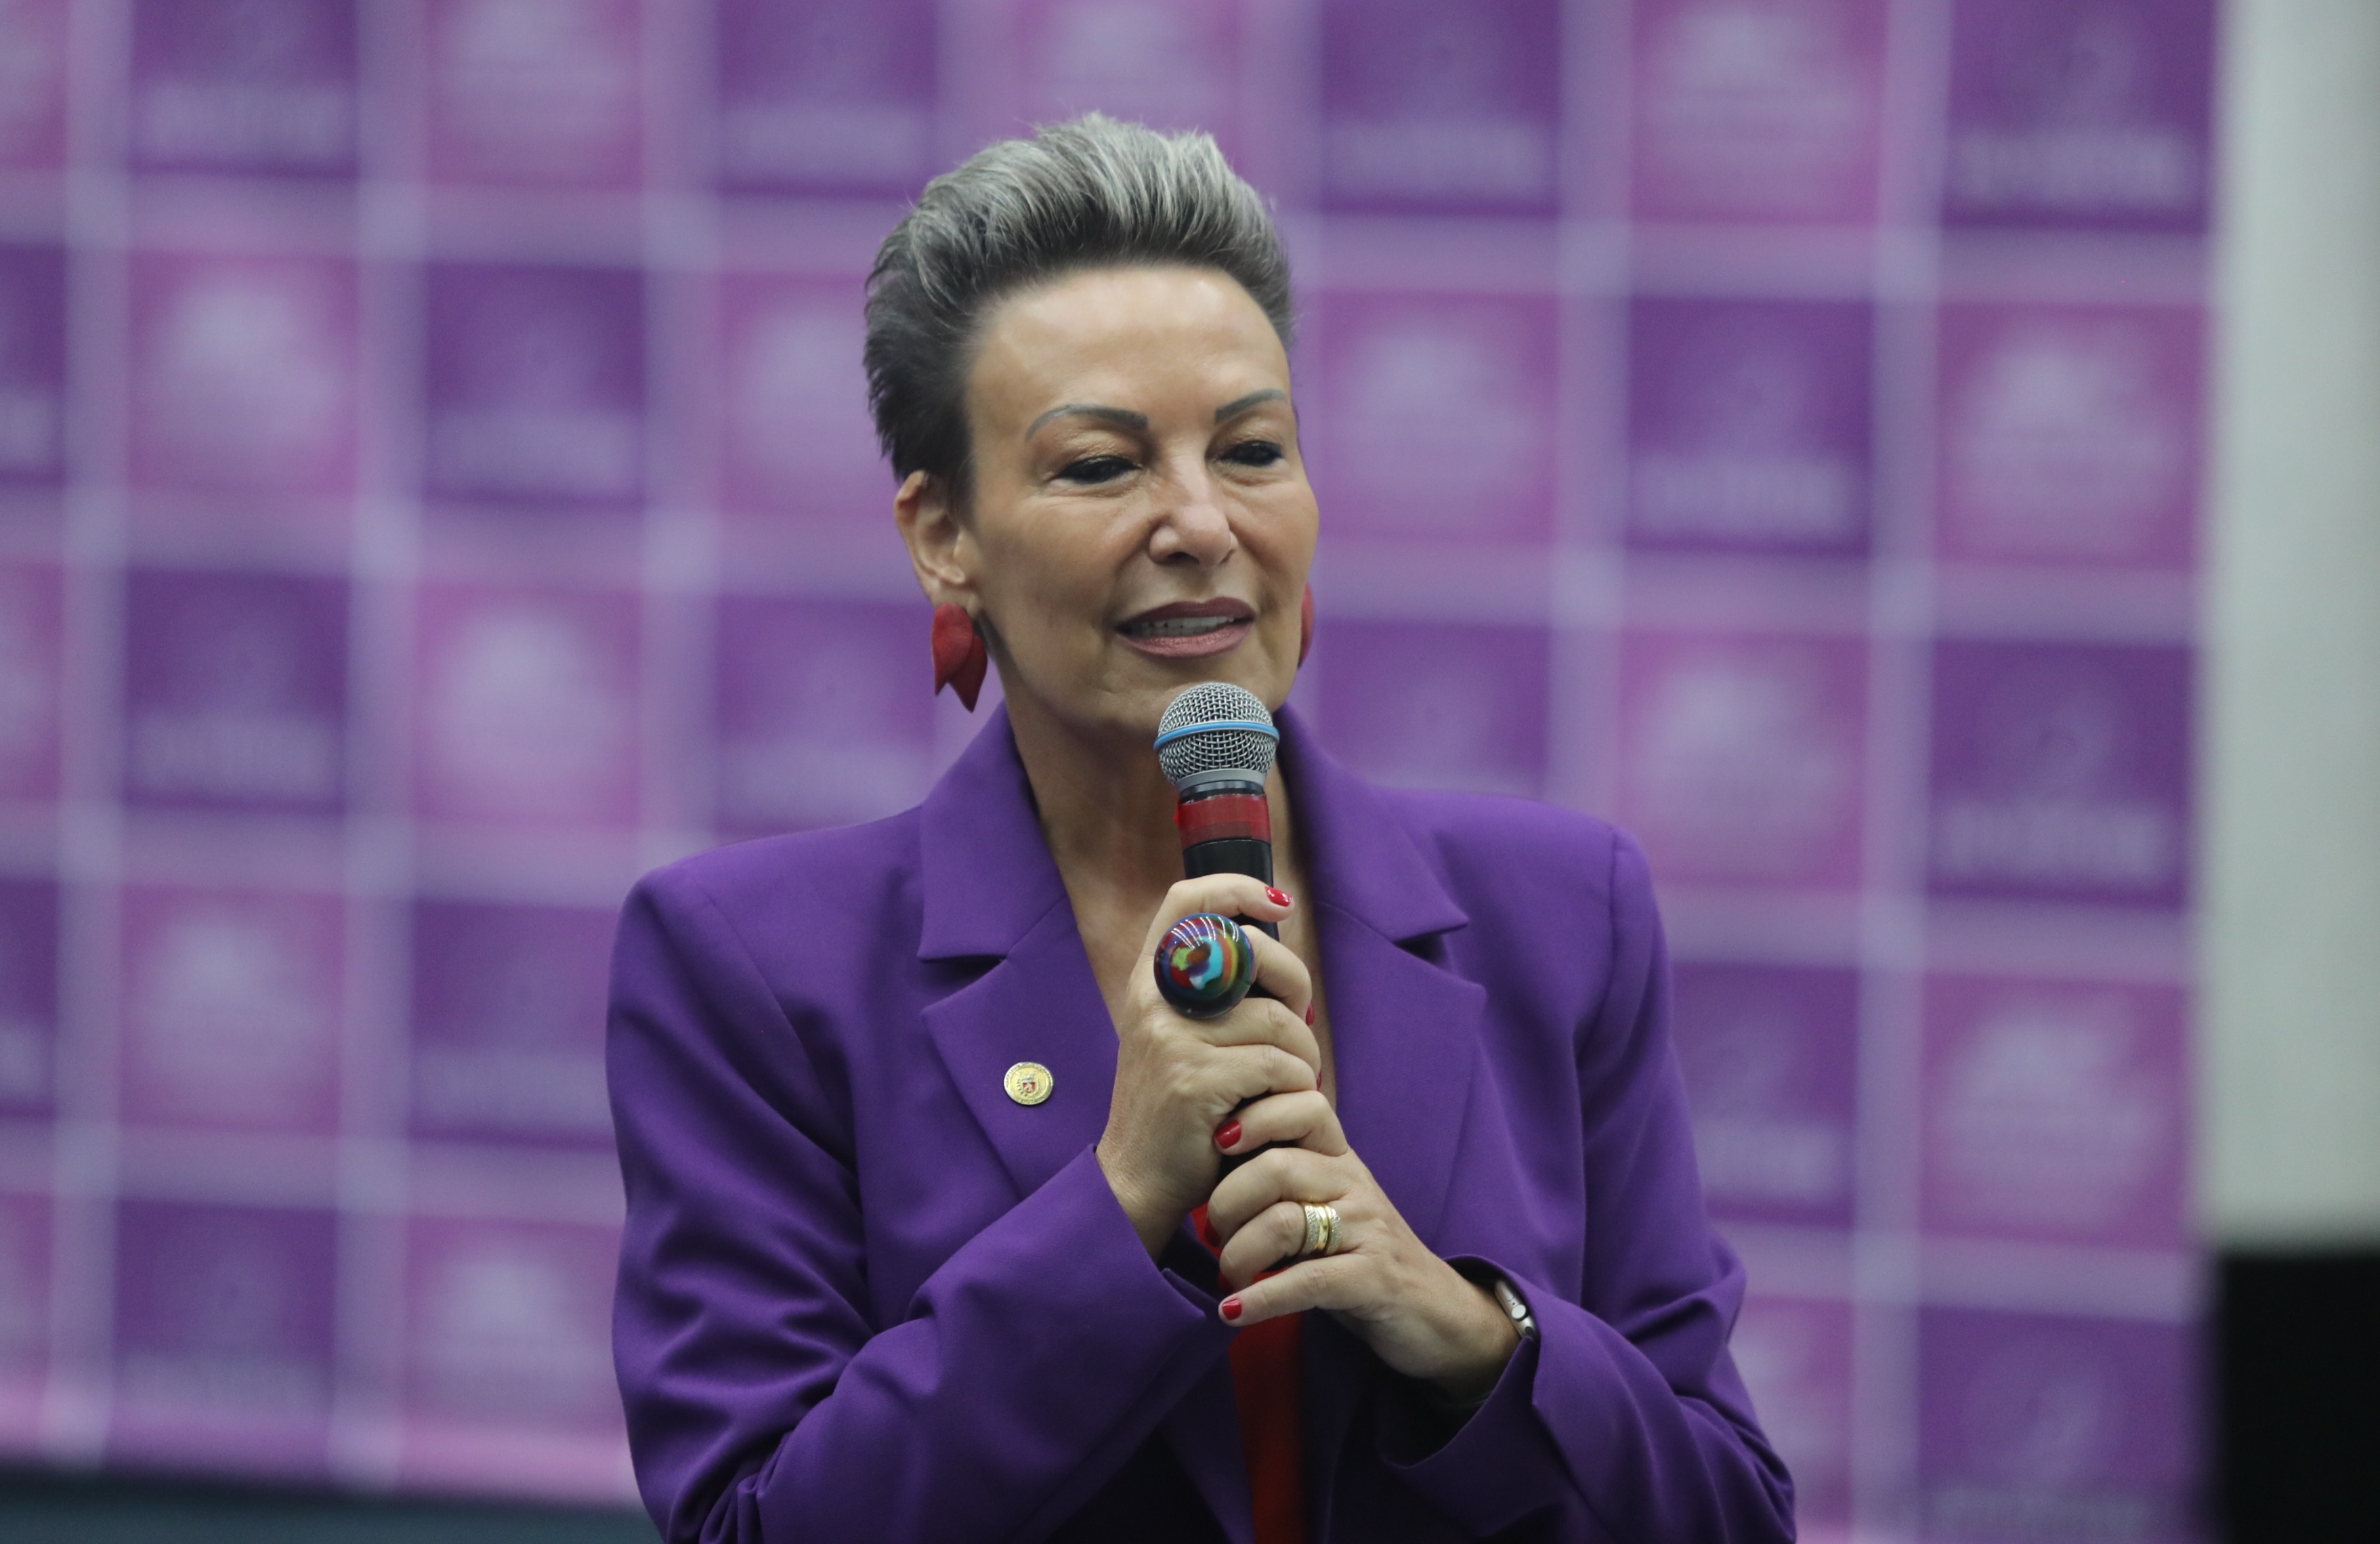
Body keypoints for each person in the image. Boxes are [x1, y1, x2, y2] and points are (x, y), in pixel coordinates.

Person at [608, 114, 1794, 1543]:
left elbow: (1729, 1509)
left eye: (1251, 450)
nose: (1200, 522)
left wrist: (1469, 1330)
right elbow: (751, 1525)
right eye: (1100, 466)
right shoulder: (749, 963)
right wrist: (1119, 1202)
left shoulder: (1561, 911)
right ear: (943, 537)